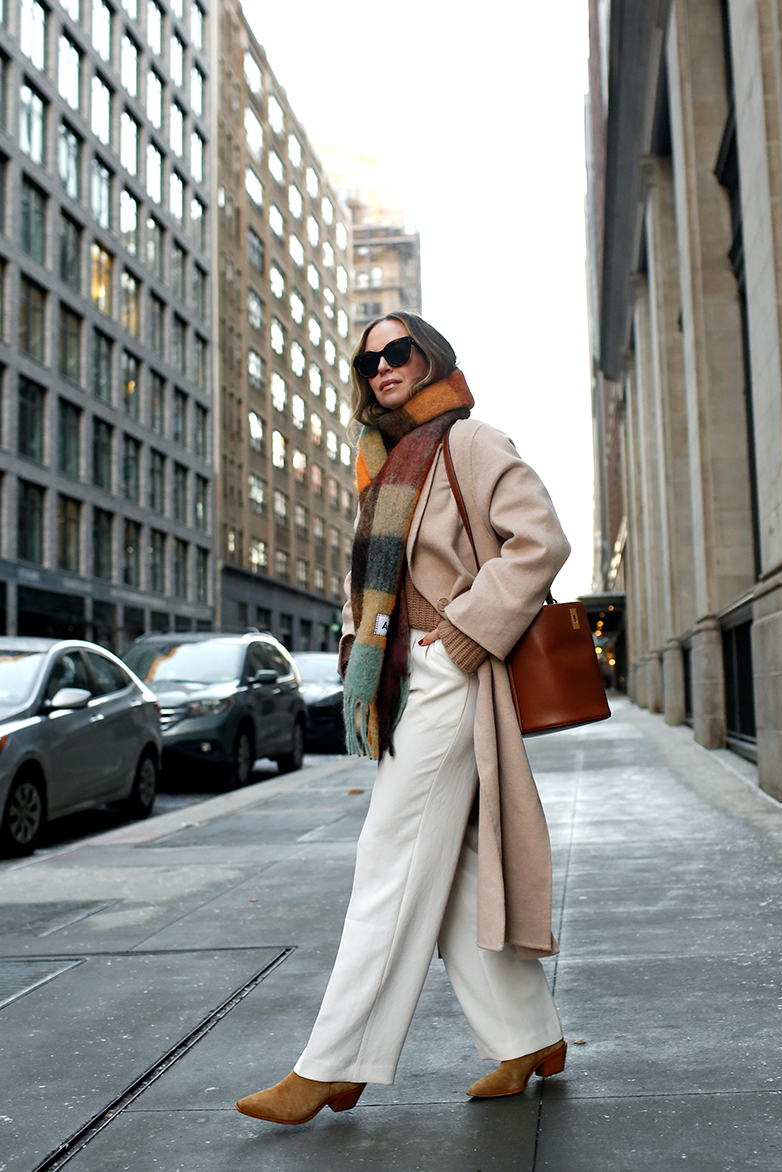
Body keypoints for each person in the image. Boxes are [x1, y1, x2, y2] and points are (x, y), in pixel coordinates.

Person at [236, 312, 571, 1126]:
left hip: (451, 671)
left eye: (398, 352)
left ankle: (332, 1063)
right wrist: (361, 646)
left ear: (431, 357)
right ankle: (530, 1036)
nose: (382, 367)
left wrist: (461, 631)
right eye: (369, 360)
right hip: (401, 681)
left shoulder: (470, 441)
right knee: (444, 872)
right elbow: (371, 584)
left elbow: (540, 541)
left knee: (388, 855)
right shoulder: (382, 461)